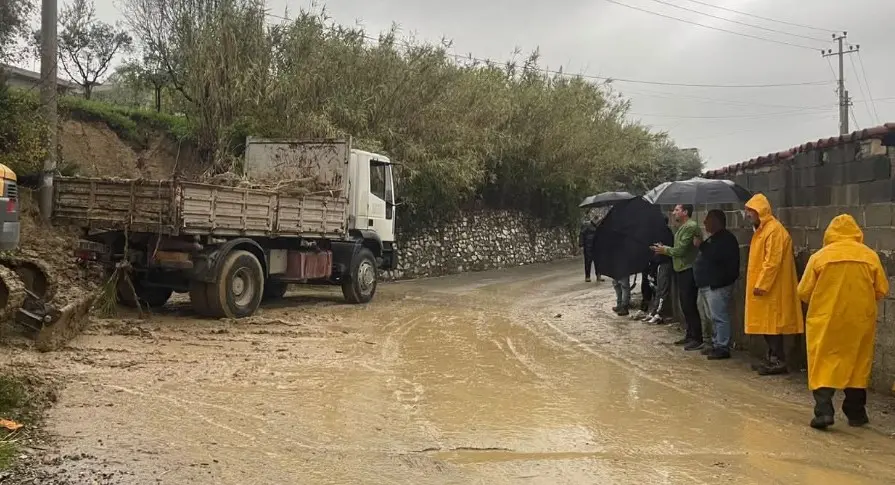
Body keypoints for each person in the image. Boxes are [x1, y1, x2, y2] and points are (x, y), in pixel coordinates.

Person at [797, 215, 888, 430]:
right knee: (857, 364)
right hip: (859, 321)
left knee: (823, 362)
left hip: (826, 320)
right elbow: (882, 289)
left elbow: (803, 292)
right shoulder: (870, 256)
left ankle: (824, 411)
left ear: (830, 233)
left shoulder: (820, 257)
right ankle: (856, 413)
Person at [744, 193, 804, 375]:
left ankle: (778, 361)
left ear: (759, 211)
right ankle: (772, 358)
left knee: (772, 325)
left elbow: (773, 261)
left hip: (772, 288)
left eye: (750, 211)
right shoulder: (764, 230)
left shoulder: (774, 231)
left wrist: (762, 284)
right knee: (767, 325)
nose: (747, 214)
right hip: (766, 288)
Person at [652, 204, 702, 350]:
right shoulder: (683, 227)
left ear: (685, 212)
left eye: (677, 210)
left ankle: (697, 337)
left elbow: (680, 250)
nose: (674, 213)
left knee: (689, 304)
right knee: (684, 305)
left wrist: (664, 250)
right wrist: (663, 248)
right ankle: (690, 334)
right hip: (680, 269)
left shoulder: (690, 227)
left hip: (688, 269)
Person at [693, 210, 740, 360]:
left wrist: (701, 246)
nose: (705, 223)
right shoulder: (713, 238)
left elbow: (716, 256)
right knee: (711, 316)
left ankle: (722, 346)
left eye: (707, 220)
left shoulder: (726, 239)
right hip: (707, 285)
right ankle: (715, 343)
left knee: (719, 316)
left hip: (718, 285)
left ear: (716, 221)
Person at [641, 217, 674, 324]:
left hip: (665, 262)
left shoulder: (667, 233)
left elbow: (667, 248)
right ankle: (653, 311)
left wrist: (660, 249)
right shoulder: (657, 233)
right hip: (658, 264)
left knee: (662, 289)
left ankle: (659, 313)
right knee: (658, 289)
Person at [579, 218, 600, 282]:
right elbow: (581, 234)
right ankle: (587, 276)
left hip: (596, 245)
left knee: (598, 261)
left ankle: (598, 275)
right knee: (588, 261)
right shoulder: (586, 225)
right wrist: (581, 244)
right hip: (588, 246)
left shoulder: (599, 225)